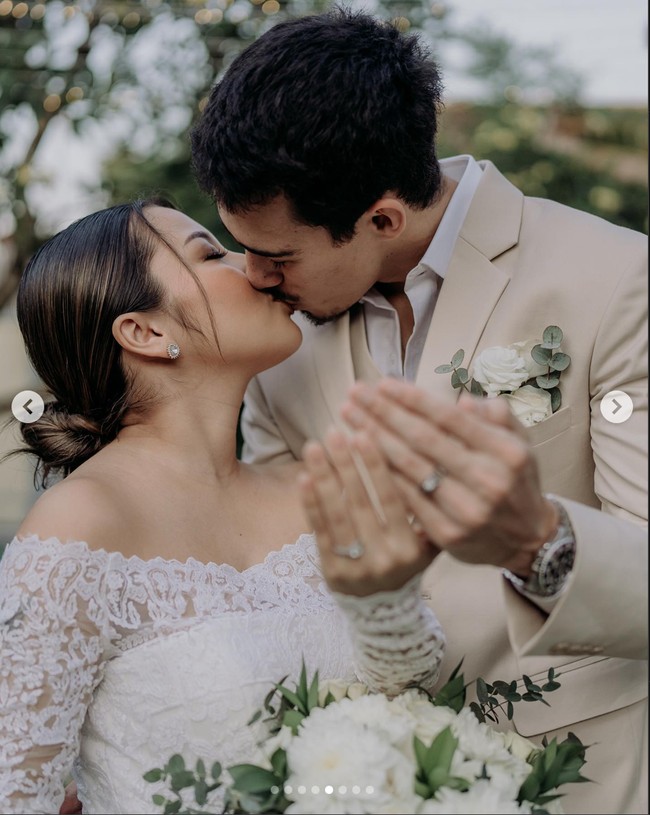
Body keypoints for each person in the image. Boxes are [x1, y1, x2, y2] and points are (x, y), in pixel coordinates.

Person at [189, 8, 648, 814]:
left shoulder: (616, 281)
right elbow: (279, 578)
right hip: (357, 775)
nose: (253, 277)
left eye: (277, 255)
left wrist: (539, 541)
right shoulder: (276, 346)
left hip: (581, 773)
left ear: (383, 219)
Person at [0, 199, 445, 814]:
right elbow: (17, 796)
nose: (258, 269)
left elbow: (418, 696)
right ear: (146, 332)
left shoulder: (312, 491)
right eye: (212, 253)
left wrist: (386, 602)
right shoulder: (80, 526)